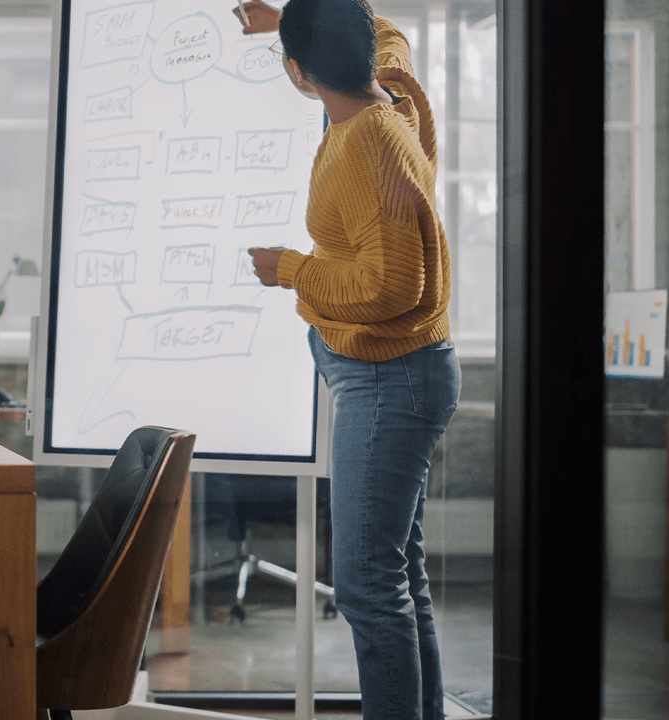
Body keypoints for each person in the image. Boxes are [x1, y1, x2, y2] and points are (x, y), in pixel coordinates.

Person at [245, 2, 460, 719]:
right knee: (397, 577)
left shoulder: (369, 143)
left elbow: (395, 286)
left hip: (389, 378)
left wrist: (293, 270)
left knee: (368, 587)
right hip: (390, 373)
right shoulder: (391, 93)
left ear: (299, 74)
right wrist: (289, 20)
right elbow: (385, 33)